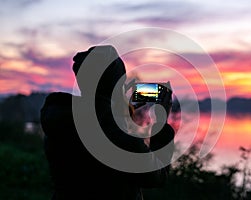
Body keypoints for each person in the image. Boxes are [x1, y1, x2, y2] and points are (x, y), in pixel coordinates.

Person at [40, 45, 175, 200]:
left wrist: (120, 113)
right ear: (115, 84)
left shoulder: (61, 119)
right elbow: (157, 176)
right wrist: (161, 125)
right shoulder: (119, 139)